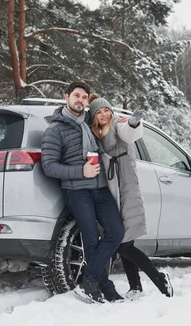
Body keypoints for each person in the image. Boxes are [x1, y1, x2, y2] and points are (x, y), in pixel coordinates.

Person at [41, 81, 125, 304]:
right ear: (66, 97)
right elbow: (48, 166)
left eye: (84, 97)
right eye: (76, 95)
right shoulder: (55, 130)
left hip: (101, 189)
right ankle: (104, 287)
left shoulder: (90, 122)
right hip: (77, 191)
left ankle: (90, 282)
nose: (80, 100)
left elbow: (108, 121)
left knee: (116, 232)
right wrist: (81, 171)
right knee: (90, 240)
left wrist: (125, 122)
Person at [88, 94, 174, 299]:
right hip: (111, 187)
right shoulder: (96, 131)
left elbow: (128, 133)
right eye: (98, 112)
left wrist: (134, 123)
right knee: (124, 240)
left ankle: (159, 278)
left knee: (123, 243)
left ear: (111, 111)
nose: (103, 114)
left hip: (126, 185)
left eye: (106, 110)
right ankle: (135, 286)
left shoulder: (118, 123)